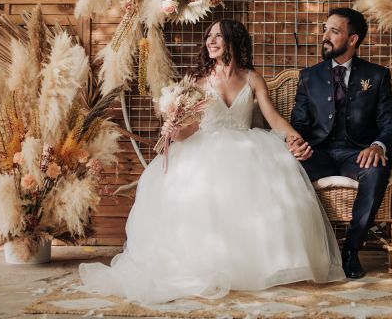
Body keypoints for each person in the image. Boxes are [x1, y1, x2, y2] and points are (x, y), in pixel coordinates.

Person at [79, 19, 344, 303]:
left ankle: (258, 266)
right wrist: (174, 131)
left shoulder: (253, 78)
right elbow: (190, 128)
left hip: (247, 146)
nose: (211, 40)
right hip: (203, 147)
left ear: (234, 41)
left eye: (219, 36)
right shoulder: (198, 81)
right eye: (209, 36)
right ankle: (208, 266)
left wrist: (295, 140)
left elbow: (274, 119)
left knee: (268, 187)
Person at [289, 8, 392, 279]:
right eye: (325, 29)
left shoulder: (376, 76)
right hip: (319, 153)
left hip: (357, 155)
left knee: (377, 169)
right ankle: (302, 252)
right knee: (286, 168)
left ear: (352, 40)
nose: (325, 36)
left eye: (334, 31)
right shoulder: (309, 76)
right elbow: (299, 123)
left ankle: (351, 251)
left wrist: (378, 145)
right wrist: (295, 143)